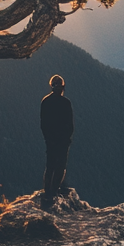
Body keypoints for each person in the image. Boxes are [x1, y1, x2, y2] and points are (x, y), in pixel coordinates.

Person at [40, 75, 74, 204]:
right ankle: (53, 190)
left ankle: (48, 191)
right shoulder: (66, 103)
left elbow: (44, 124)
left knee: (51, 166)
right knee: (60, 166)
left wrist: (48, 138)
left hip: (52, 140)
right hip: (62, 140)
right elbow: (70, 124)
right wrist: (67, 138)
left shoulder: (46, 101)